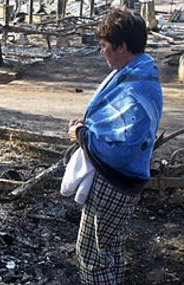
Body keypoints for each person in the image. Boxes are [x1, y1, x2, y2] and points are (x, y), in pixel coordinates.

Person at [67, 8, 163, 285]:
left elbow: (124, 148)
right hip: (124, 181)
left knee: (92, 255)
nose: (101, 53)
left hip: (115, 181)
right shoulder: (137, 72)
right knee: (110, 248)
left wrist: (82, 135)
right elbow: (115, 123)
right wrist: (87, 127)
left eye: (105, 46)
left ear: (122, 47)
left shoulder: (135, 89)